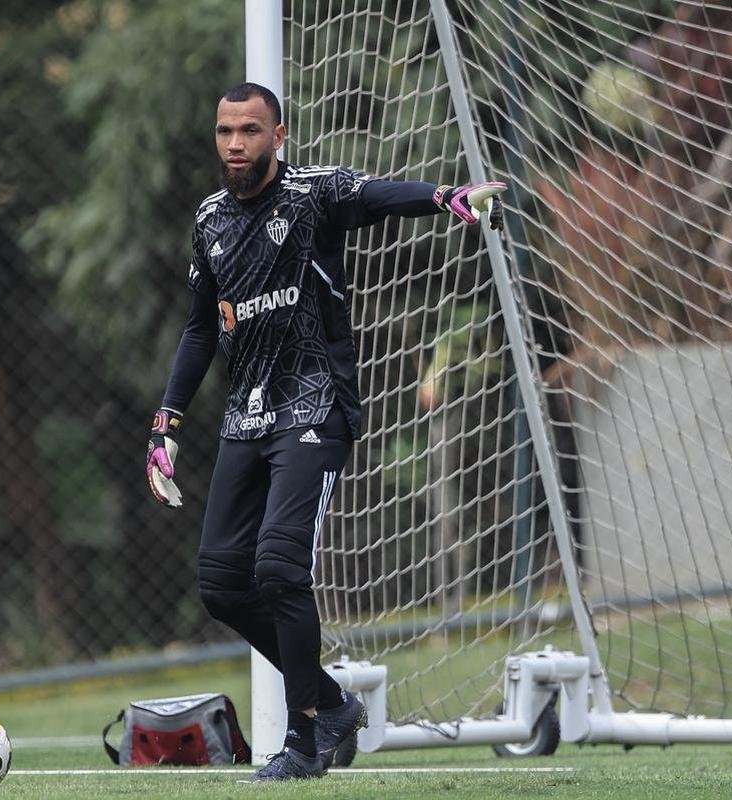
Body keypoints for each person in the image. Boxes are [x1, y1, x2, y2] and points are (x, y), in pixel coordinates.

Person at [145, 82, 504, 782]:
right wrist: (166, 422)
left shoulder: (313, 194)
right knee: (221, 584)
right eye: (225, 131)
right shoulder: (210, 219)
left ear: (278, 135)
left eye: (251, 130)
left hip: (315, 406)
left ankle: (303, 742)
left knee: (279, 568)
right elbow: (199, 329)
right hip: (247, 416)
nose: (236, 144)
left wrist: (444, 198)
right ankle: (334, 705)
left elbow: (378, 195)